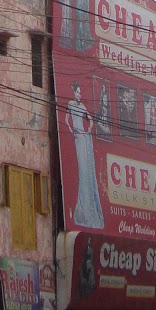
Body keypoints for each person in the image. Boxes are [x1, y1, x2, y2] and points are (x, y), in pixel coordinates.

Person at [65, 83, 105, 227]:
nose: (79, 95)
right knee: (82, 171)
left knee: (87, 172)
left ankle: (90, 208)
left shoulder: (82, 107)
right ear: (73, 92)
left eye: (80, 93)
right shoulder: (70, 104)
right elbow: (66, 121)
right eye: (77, 92)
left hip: (84, 139)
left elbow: (91, 121)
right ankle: (83, 206)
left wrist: (87, 131)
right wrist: (72, 132)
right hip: (78, 139)